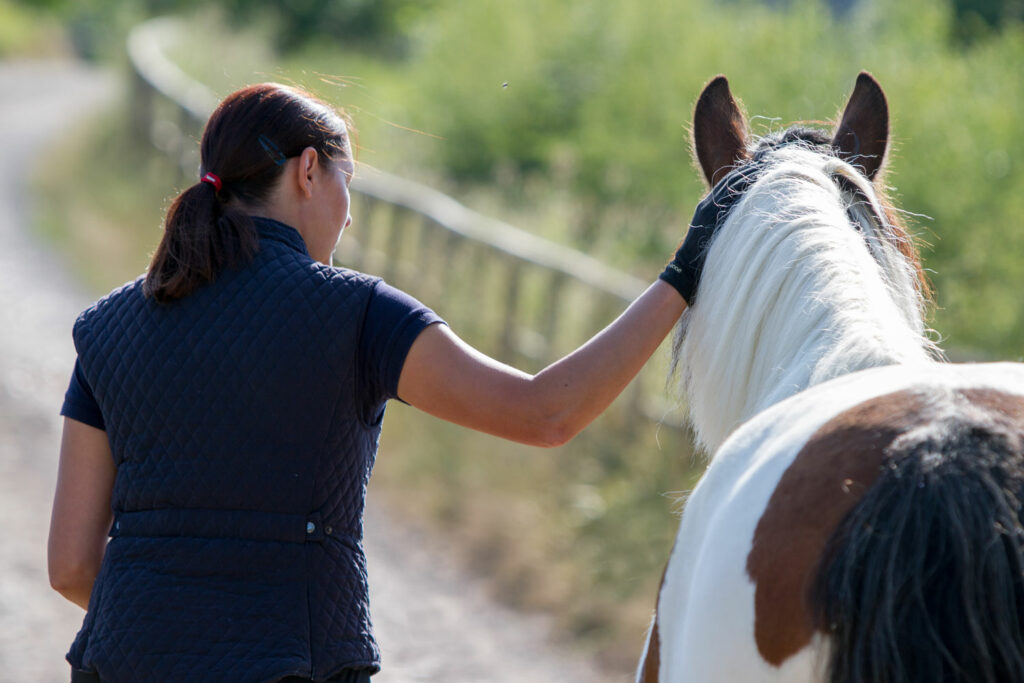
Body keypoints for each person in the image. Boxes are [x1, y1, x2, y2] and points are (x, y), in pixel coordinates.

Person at [47, 82, 715, 683]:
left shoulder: (106, 327)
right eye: (348, 184)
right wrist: (684, 273)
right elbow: (544, 413)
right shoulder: (357, 313)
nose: (349, 214)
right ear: (309, 171)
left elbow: (72, 564)